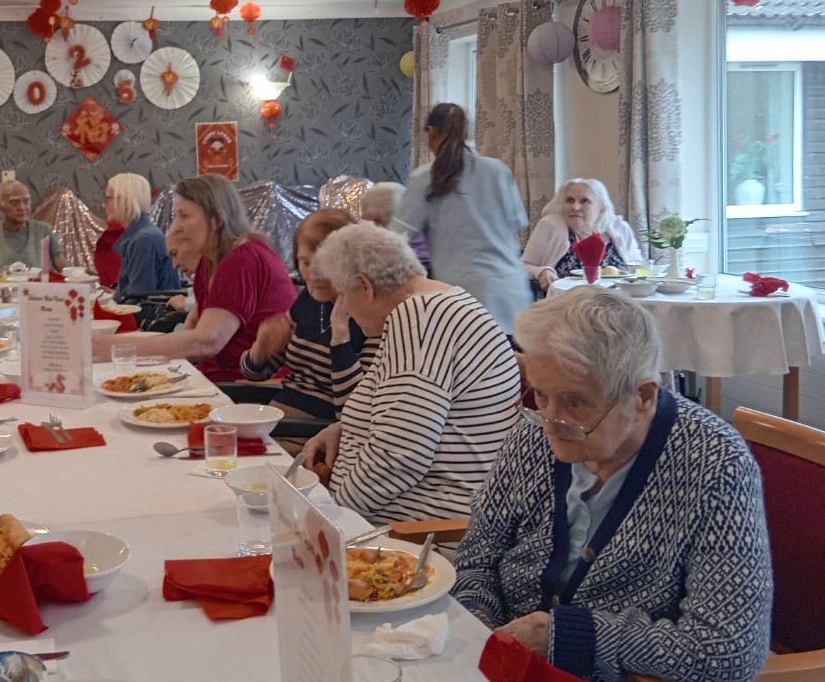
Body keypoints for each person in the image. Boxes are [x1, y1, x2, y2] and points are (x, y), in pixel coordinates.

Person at [452, 287, 772, 682]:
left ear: (642, 395)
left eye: (575, 403)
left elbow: (729, 651)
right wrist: (481, 636)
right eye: (541, 395)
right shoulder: (532, 436)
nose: (551, 421)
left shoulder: (714, 465)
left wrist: (568, 635)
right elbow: (479, 556)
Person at [302, 222, 521, 521]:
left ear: (365, 286)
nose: (345, 311)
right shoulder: (436, 305)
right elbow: (411, 418)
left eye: (343, 295)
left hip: (417, 534)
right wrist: (344, 429)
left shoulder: (420, 318)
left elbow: (399, 458)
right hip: (398, 520)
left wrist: (330, 517)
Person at [91, 175, 296, 382]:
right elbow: (192, 325)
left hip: (242, 388)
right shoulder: (212, 262)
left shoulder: (242, 260)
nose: (177, 226)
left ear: (216, 220)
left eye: (184, 215)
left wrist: (119, 348)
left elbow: (206, 341)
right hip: (214, 378)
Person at [397, 103, 531, 335]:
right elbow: (516, 226)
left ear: (431, 132)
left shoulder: (424, 178)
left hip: (463, 301)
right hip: (511, 293)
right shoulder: (499, 170)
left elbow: (398, 239)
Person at [239, 209, 375, 420]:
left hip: (315, 436)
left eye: (323, 263)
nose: (314, 274)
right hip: (278, 422)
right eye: (305, 262)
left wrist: (340, 337)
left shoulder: (370, 315)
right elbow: (255, 374)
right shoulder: (308, 301)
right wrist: (260, 350)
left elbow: (355, 407)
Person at [522, 177, 643, 291]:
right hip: (564, 304)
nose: (575, 207)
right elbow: (522, 266)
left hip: (617, 302)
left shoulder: (620, 228)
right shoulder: (550, 225)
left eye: (584, 201)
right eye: (569, 200)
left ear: (602, 208)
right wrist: (542, 272)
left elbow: (638, 268)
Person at [0, 179, 65, 279]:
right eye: (15, 202)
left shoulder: (44, 230)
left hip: (36, 293)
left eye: (26, 201)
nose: (22, 207)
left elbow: (63, 269)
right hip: (0, 293)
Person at [102, 172, 179, 299]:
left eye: (108, 199)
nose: (103, 205)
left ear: (125, 201)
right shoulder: (143, 235)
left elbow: (138, 304)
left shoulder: (143, 241)